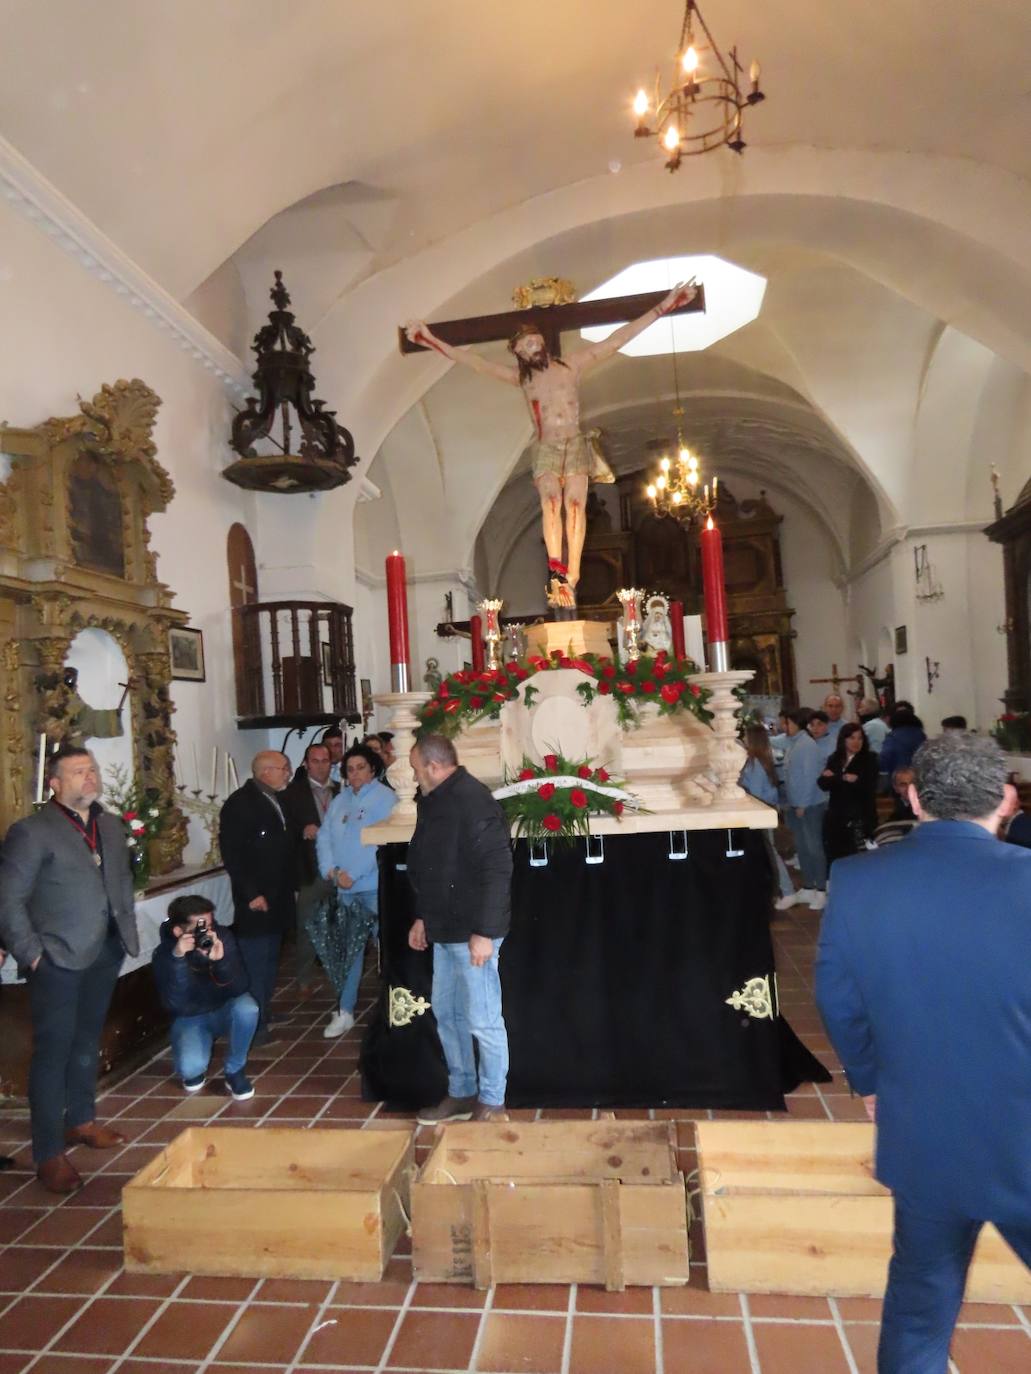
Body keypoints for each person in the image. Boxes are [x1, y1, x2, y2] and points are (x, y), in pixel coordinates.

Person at [815, 734, 1031, 1373]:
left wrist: (871, 1082)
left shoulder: (857, 880)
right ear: (1006, 799)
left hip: (926, 1128)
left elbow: (839, 998)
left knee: (919, 1308)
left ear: (909, 795)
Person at [406, 281, 697, 611]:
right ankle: (557, 566)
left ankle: (571, 573)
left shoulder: (572, 364)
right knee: (549, 501)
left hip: (574, 442)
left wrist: (666, 305)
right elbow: (472, 361)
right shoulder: (522, 379)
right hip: (546, 445)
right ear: (519, 353)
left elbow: (618, 339)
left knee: (574, 505)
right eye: (527, 345)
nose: (534, 346)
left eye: (536, 340)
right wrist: (427, 338)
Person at [0, 747, 139, 1193]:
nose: (90, 777)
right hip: (57, 958)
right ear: (54, 783)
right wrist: (32, 953)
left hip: (104, 951)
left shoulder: (112, 826)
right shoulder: (32, 832)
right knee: (52, 1054)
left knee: (86, 1041)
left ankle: (81, 1119)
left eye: (93, 769)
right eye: (78, 772)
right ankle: (48, 1153)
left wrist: (122, 932)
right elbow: (8, 900)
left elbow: (118, 881)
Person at [407, 734, 513, 1124]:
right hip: (444, 930)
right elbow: (429, 864)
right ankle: (462, 1091)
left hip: (473, 932)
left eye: (416, 767)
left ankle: (492, 1101)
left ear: (434, 767)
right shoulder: (433, 801)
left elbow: (497, 869)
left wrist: (485, 932)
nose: (414, 775)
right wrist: (422, 916)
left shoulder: (473, 800)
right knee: (449, 1016)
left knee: (483, 1020)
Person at [314, 743, 397, 1038]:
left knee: (389, 949)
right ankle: (344, 1011)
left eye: (361, 767)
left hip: (374, 887)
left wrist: (354, 873)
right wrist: (331, 871)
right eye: (350, 769)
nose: (355, 773)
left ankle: (395, 1009)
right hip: (345, 889)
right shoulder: (340, 800)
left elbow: (380, 841)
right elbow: (324, 837)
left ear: (373, 769)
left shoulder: (386, 798)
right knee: (348, 952)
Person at [218, 750, 295, 1042]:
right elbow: (234, 855)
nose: (287, 772)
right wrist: (251, 894)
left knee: (270, 958)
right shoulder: (240, 804)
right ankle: (253, 1025)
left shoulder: (275, 798)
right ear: (265, 772)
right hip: (257, 898)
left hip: (277, 894)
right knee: (255, 960)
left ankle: (264, 1010)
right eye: (283, 768)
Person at [151, 894, 258, 1099]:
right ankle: (194, 1053)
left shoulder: (222, 937)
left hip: (225, 1008)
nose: (206, 933)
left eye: (209, 925)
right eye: (199, 929)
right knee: (191, 1071)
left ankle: (234, 1070)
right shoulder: (164, 954)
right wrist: (179, 959)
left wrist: (220, 962)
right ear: (178, 931)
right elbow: (176, 1004)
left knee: (248, 1008)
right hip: (191, 1016)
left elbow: (241, 986)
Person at [281, 741, 339, 996]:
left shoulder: (341, 792)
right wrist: (301, 831)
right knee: (306, 925)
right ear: (305, 764)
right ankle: (304, 978)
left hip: (340, 869)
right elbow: (282, 832)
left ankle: (337, 970)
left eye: (325, 760)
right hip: (309, 870)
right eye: (315, 761)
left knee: (337, 923)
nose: (320, 766)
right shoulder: (291, 794)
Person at [738, 725, 797, 912]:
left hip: (761, 812)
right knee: (767, 852)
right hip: (764, 810)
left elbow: (755, 793)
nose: (744, 740)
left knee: (771, 853)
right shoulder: (760, 760)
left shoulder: (755, 763)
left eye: (746, 737)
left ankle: (787, 891)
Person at [783, 710, 831, 909]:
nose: (783, 727)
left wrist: (802, 803)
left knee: (814, 847)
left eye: (786, 723)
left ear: (795, 723)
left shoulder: (807, 745)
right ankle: (808, 886)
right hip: (797, 803)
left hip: (810, 804)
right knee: (803, 848)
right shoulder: (795, 743)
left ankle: (821, 889)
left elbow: (810, 777)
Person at [817, 722, 879, 865]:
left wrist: (836, 778)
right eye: (852, 738)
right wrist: (843, 777)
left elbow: (868, 786)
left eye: (860, 738)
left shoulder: (869, 759)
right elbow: (823, 783)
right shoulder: (835, 758)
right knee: (836, 856)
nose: (856, 742)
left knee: (858, 858)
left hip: (859, 817)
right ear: (843, 739)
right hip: (836, 815)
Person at [878, 706, 927, 779]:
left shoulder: (893, 736)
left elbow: (885, 757)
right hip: (919, 775)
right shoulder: (921, 735)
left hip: (899, 775)